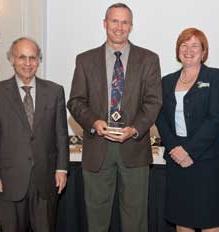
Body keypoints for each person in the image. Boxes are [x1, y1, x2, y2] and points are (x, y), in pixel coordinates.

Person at [67, 3, 162, 232]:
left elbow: (153, 101)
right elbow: (76, 101)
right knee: (97, 218)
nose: (119, 27)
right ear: (105, 24)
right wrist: (94, 123)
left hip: (134, 146)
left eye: (125, 22)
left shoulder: (149, 59)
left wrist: (135, 129)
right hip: (97, 147)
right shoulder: (85, 60)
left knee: (135, 217)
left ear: (131, 26)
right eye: (114, 21)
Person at [0, 37, 69, 232]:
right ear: (12, 59)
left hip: (46, 180)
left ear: (39, 60)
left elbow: (61, 135)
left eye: (33, 58)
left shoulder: (55, 91)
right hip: (8, 181)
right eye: (22, 57)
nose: (28, 63)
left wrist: (62, 169)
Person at [156, 28, 219, 232]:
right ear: (178, 50)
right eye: (184, 45)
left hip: (207, 161)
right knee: (182, 219)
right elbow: (160, 118)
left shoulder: (215, 76)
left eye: (195, 45)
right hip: (176, 160)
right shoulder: (166, 81)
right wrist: (175, 148)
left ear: (203, 52)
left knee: (210, 220)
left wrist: (188, 150)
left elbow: (215, 119)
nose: (189, 50)